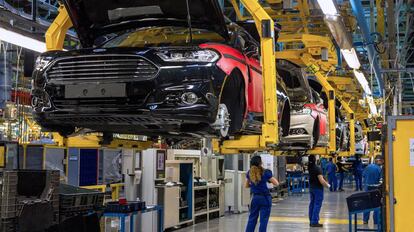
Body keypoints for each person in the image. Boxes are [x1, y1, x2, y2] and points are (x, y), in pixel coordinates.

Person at [245, 156, 279, 232]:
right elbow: (276, 183)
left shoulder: (249, 173)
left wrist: (254, 185)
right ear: (260, 163)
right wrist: (268, 181)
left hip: (255, 198)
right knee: (264, 220)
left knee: (252, 218)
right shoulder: (265, 172)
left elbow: (246, 185)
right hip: (265, 198)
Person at [308, 155, 331, 228]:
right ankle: (314, 221)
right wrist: (327, 185)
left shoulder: (310, 167)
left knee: (312, 204)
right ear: (316, 159)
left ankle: (311, 220)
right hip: (318, 189)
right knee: (317, 205)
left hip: (311, 188)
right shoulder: (317, 168)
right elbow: (321, 181)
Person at [362, 155, 384, 224]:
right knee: (376, 205)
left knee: (367, 205)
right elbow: (381, 180)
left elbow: (363, 175)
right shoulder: (379, 169)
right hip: (375, 189)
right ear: (379, 161)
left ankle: (365, 220)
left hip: (367, 188)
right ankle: (376, 221)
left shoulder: (368, 167)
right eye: (382, 161)